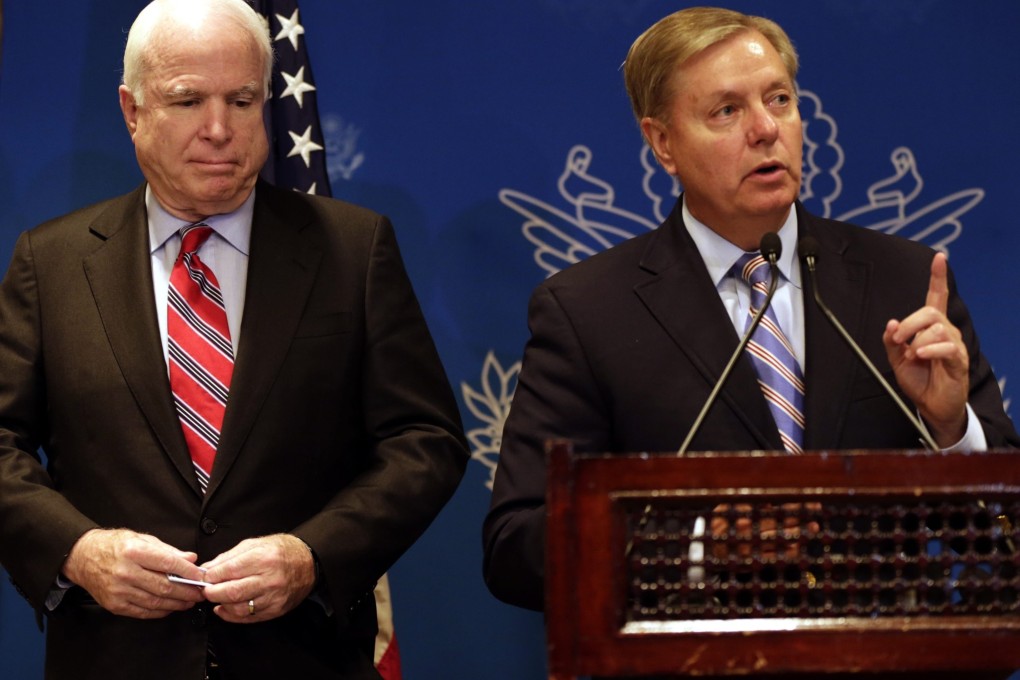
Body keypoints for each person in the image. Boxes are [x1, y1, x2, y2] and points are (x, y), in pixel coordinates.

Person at [482, 6, 1019, 612]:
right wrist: (698, 545)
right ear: (662, 143)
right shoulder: (588, 312)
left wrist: (951, 432)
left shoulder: (906, 282)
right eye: (726, 111)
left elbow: (1002, 540)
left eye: (779, 100)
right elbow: (517, 546)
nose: (766, 129)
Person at [0, 1, 468, 678]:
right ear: (133, 112)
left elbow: (425, 440)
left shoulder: (353, 248)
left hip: (304, 659)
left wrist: (313, 556)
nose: (219, 129)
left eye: (243, 101)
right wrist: (78, 552)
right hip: (115, 656)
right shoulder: (51, 263)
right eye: (188, 101)